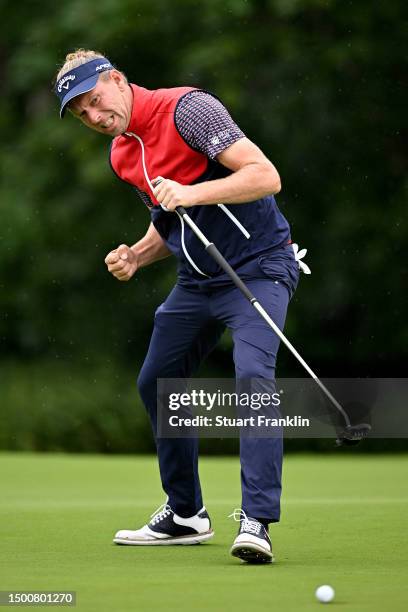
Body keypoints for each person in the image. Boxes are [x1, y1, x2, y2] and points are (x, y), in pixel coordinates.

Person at [54, 49, 304, 564]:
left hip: (258, 267)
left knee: (253, 380)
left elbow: (264, 176)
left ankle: (256, 520)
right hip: (197, 282)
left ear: (118, 80)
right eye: (83, 115)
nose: (96, 118)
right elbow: (171, 224)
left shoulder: (187, 110)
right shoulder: (123, 155)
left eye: (96, 102)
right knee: (157, 382)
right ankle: (186, 513)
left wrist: (192, 192)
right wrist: (136, 255)